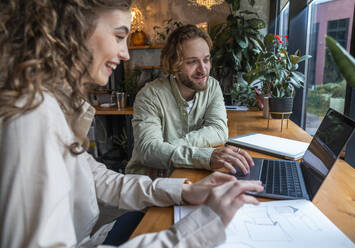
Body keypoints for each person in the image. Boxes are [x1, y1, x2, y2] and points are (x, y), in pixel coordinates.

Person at [0, 1, 264, 247]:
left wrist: (184, 191)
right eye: (118, 36)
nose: (126, 53)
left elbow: (100, 179)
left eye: (206, 60)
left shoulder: (54, 103)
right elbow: (150, 150)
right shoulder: (30, 116)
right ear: (73, 29)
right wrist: (200, 227)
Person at [125, 24, 255, 178]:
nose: (203, 69)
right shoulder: (149, 96)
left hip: (187, 176)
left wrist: (167, 148)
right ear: (174, 64)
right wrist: (204, 156)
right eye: (192, 62)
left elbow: (219, 131)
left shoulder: (212, 86)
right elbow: (149, 152)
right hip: (149, 180)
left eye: (206, 60)